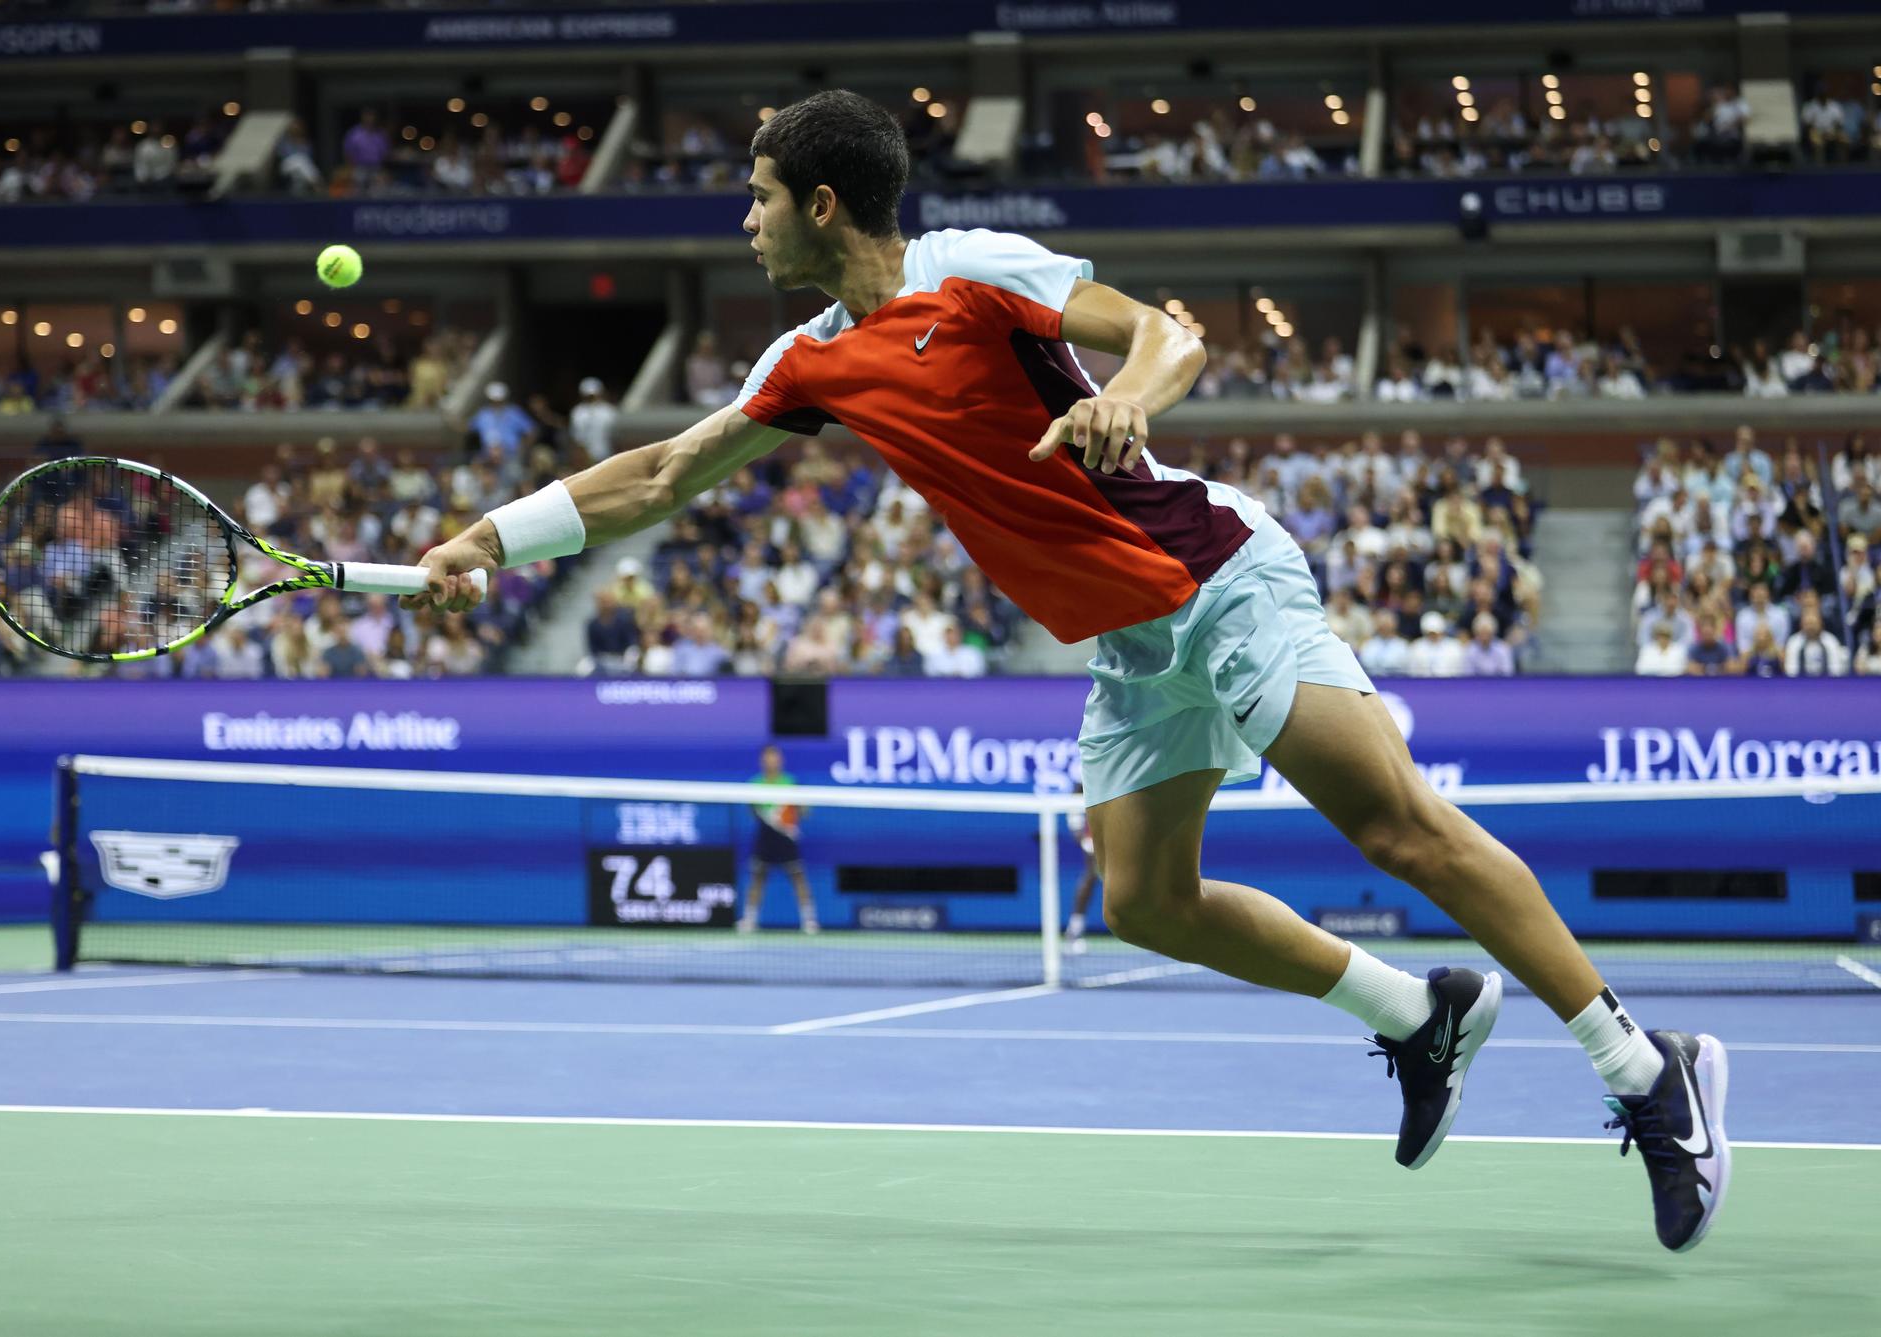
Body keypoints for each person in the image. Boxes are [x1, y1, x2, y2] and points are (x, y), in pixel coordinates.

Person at [406, 89, 1728, 1252]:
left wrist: (1127, 398)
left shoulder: (970, 271)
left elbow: (1167, 331)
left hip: (1216, 578)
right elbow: (656, 473)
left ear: (821, 202)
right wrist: (485, 541)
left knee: (1399, 828)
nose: (743, 224)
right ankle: (1420, 1010)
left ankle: (1644, 1067)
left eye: (755, 200)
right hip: (1132, 645)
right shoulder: (809, 361)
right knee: (1147, 902)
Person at [736, 745, 817, 934]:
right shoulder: (755, 784)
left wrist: (794, 815)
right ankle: (749, 920)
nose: (771, 761)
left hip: (787, 838)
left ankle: (809, 920)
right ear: (762, 761)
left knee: (799, 878)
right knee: (757, 879)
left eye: (775, 758)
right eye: (768, 758)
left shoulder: (790, 782)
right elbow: (752, 811)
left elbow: (804, 810)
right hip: (765, 837)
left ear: (780, 761)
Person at [1061, 784, 1101, 955]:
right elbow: (1077, 791)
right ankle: (1074, 931)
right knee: (1091, 875)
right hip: (1094, 833)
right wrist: (1078, 831)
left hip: (1122, 827)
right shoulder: (1084, 770)